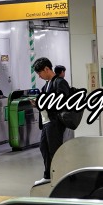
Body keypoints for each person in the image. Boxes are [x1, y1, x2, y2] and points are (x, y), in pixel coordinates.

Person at [31, 59, 70, 188]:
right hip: (46, 121)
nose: (39, 76)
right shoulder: (46, 85)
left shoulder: (60, 82)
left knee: (55, 150)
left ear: (47, 69)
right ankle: (48, 175)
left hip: (55, 122)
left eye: (39, 72)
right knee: (44, 148)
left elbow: (62, 101)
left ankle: (60, 176)